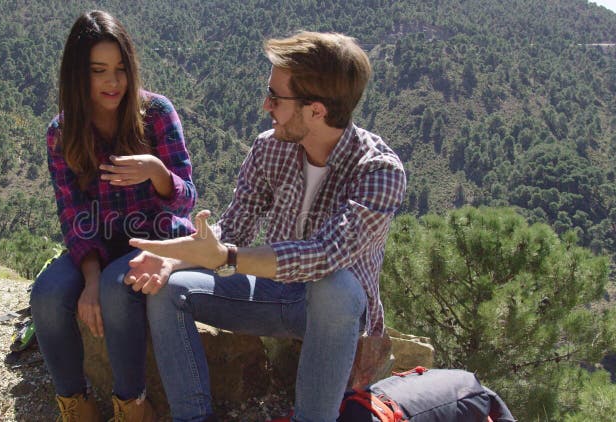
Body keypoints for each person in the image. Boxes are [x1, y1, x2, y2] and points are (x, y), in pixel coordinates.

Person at [100, 31, 406, 421]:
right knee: (168, 289)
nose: (266, 105)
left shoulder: (378, 170)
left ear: (316, 110)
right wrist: (177, 260)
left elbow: (326, 255)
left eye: (276, 97)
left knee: (335, 285)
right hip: (273, 292)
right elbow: (237, 226)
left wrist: (227, 257)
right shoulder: (269, 147)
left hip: (330, 313)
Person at [30, 11, 196, 422]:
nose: (113, 82)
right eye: (99, 71)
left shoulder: (156, 113)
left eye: (121, 69)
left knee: (116, 286)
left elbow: (187, 200)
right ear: (77, 75)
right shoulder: (62, 132)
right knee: (47, 295)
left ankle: (131, 405)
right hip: (97, 246)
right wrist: (87, 277)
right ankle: (76, 404)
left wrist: (157, 172)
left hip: (156, 241)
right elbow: (71, 214)